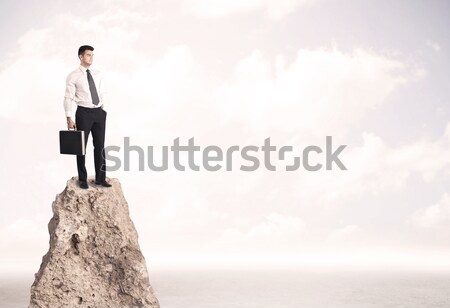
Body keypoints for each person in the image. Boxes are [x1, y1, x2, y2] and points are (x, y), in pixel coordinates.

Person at [64, 45, 111, 189]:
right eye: (88, 55)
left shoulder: (98, 73)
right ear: (81, 57)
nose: (91, 58)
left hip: (98, 113)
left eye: (92, 55)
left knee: (100, 146)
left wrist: (104, 110)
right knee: (81, 148)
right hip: (83, 113)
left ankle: (100, 178)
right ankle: (83, 179)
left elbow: (102, 92)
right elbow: (68, 97)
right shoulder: (73, 76)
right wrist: (68, 117)